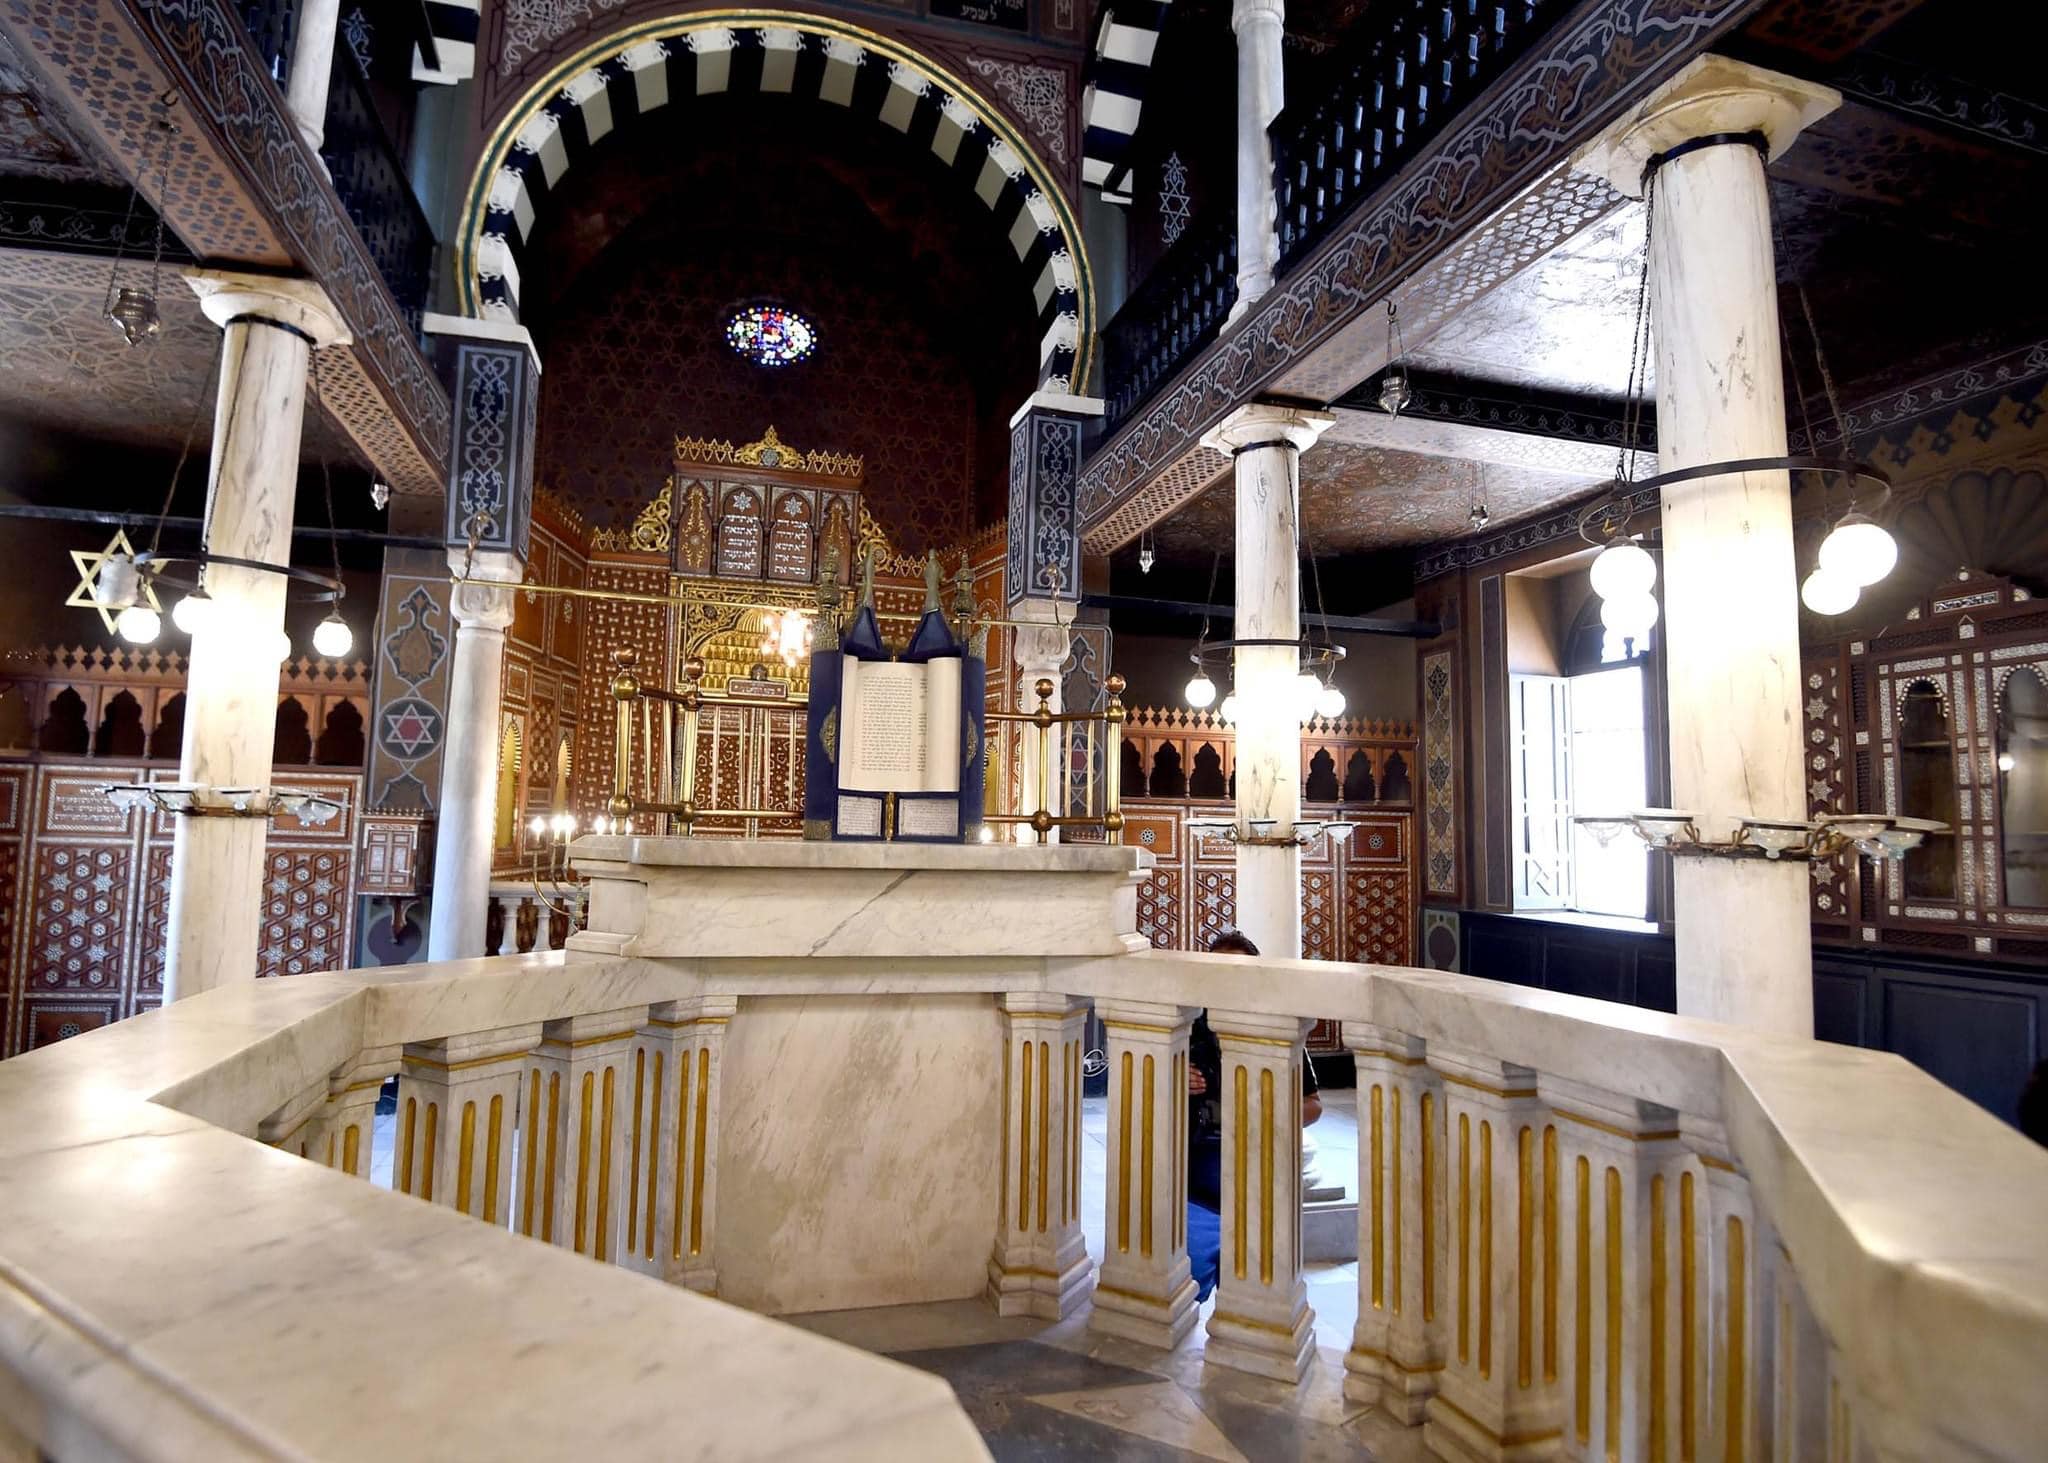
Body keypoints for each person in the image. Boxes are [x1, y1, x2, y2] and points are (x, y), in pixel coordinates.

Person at [1185, 928, 1320, 1303]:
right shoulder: (1184, 1027)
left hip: (1259, 1163)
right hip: (1199, 1165)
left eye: (1240, 973)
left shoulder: (1277, 1031)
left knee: (1256, 1287)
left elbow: (1313, 1105)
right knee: (1191, 1273)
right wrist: (1173, 1078)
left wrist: (1268, 1112)